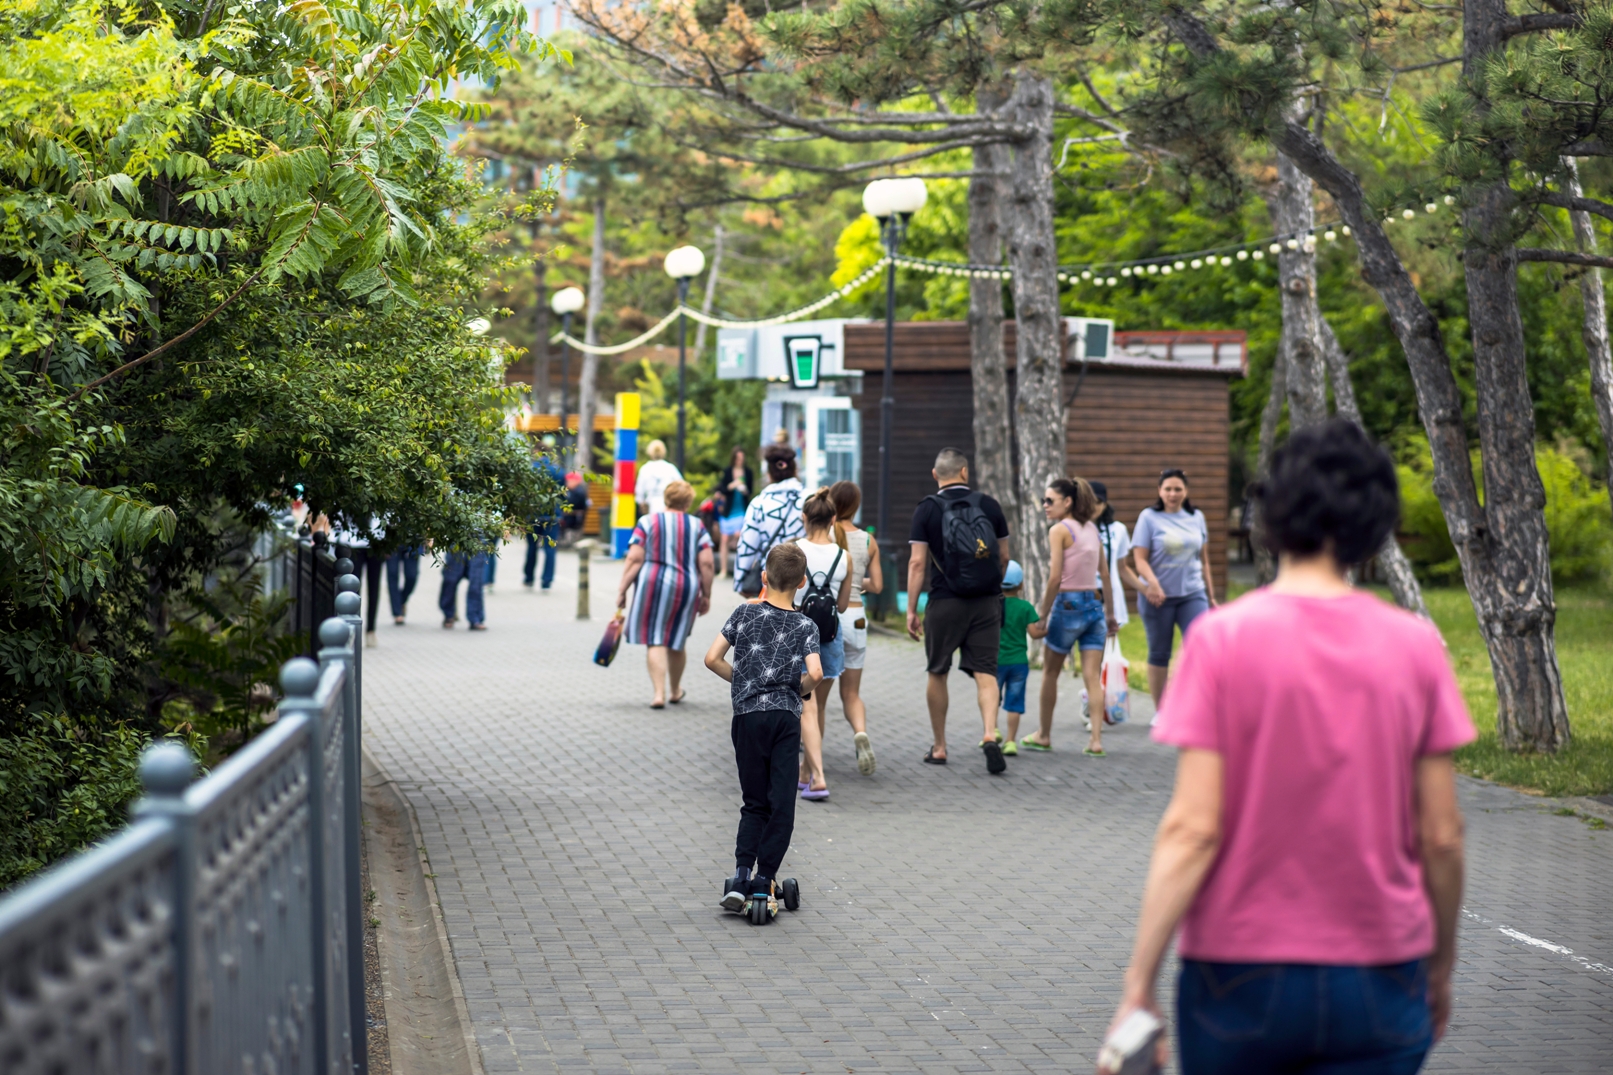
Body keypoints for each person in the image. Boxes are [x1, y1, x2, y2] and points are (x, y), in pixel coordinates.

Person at [1109, 419, 1471, 1075]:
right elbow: (1441, 834)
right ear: (1373, 522)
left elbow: (1192, 828)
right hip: (1383, 971)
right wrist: (1440, 963)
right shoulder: (1414, 646)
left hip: (1237, 972)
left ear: (1272, 515)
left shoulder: (1221, 641)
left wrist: (1139, 983)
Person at [705, 544, 823, 911]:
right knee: (781, 802)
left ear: (764, 578)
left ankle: (740, 876)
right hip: (785, 720)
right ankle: (764, 877)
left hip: (747, 718)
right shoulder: (806, 624)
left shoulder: (743, 612)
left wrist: (744, 685)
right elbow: (816, 673)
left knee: (753, 801)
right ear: (802, 582)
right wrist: (795, 690)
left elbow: (712, 659)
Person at [906, 447, 1011, 774]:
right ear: (965, 472)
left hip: (944, 601)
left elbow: (917, 563)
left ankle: (939, 747)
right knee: (986, 673)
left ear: (936, 475)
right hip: (986, 602)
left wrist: (911, 609)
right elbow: (1004, 557)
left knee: (938, 670)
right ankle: (989, 733)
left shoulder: (927, 509)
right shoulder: (989, 505)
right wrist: (991, 586)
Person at [1025, 478, 1116, 757]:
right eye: (1044, 500)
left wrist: (1042, 614)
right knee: (1092, 676)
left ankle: (1043, 735)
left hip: (1068, 605)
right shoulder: (1092, 529)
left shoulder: (1059, 530)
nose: (1045, 505)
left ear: (1068, 502)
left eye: (1050, 500)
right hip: (1094, 606)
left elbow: (1055, 578)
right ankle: (1096, 741)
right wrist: (1110, 614)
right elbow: (1105, 574)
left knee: (1051, 672)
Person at [616, 480, 715, 708]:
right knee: (677, 639)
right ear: (688, 501)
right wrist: (706, 593)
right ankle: (675, 690)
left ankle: (658, 694)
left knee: (655, 637)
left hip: (653, 583)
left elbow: (634, 558)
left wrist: (622, 590)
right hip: (686, 585)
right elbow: (707, 562)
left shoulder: (647, 522)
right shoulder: (697, 526)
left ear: (666, 498)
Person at [1132, 469, 1218, 709]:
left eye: (1177, 489)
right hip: (1158, 597)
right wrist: (1153, 583)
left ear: (1186, 491)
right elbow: (1139, 559)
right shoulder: (1148, 517)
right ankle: (1162, 710)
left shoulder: (1196, 517)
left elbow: (1204, 559)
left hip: (1192, 593)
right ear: (1159, 491)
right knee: (1160, 653)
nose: (1172, 493)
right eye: (1167, 489)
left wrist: (1210, 596)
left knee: (1200, 646)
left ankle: (1190, 701)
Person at [794, 489, 851, 801]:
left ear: (804, 517)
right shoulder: (844, 558)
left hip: (798, 636)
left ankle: (818, 777)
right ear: (833, 520)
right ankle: (805, 771)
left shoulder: (792, 551)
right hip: (829, 637)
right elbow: (841, 607)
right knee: (818, 707)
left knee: (807, 709)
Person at [1084, 481, 1146, 732]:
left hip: (1111, 600)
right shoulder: (1077, 528)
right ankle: (1091, 704)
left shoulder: (1118, 530)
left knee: (1102, 657)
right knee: (1092, 657)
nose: (1094, 508)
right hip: (1085, 599)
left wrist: (1146, 589)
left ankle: (1095, 706)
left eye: (1097, 503)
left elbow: (1122, 568)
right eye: (1089, 503)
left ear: (1105, 504)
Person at [830, 481, 881, 776]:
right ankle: (860, 732)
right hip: (858, 618)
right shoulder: (867, 540)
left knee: (818, 700)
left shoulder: (824, 536)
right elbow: (878, 585)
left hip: (831, 619)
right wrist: (857, 580)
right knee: (851, 693)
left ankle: (812, 763)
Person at [733, 444, 806, 596]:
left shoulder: (759, 504)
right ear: (795, 470)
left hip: (770, 585)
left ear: (769, 473)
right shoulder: (810, 499)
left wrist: (741, 581)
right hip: (806, 583)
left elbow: (747, 545)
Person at [994, 560, 1044, 756]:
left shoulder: (993, 605)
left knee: (991, 698)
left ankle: (991, 731)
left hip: (995, 661)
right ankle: (1010, 741)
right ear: (1021, 585)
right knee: (1014, 703)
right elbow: (1034, 633)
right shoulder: (1025, 607)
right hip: (1018, 664)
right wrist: (1047, 630)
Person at [525, 447, 566, 590]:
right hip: (552, 514)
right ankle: (547, 581)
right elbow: (563, 494)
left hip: (533, 514)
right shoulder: (558, 472)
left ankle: (528, 578)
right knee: (550, 548)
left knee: (531, 547)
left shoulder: (530, 470)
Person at [717, 447, 755, 577]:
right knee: (724, 538)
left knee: (739, 534)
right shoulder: (728, 471)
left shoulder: (748, 472)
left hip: (741, 509)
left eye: (742, 459)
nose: (740, 461)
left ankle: (740, 569)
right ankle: (723, 570)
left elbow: (750, 491)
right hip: (729, 510)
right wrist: (732, 485)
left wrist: (744, 489)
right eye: (738, 459)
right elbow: (722, 489)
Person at [440, 549, 489, 631]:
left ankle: (475, 618)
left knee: (476, 582)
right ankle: (448, 614)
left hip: (478, 543)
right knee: (450, 580)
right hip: (456, 544)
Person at [634, 439, 683, 517]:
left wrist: (642, 504)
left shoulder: (645, 469)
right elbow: (681, 486)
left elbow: (639, 493)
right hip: (668, 505)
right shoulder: (670, 468)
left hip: (651, 506)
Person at [386, 545, 421, 625]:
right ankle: (397, 612)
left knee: (411, 576)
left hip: (412, 541)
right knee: (392, 575)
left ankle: (400, 601)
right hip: (392, 541)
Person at [562, 471, 590, 542]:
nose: (567, 483)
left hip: (574, 518)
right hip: (570, 518)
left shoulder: (579, 492)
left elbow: (575, 505)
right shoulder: (570, 491)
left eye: (569, 481)